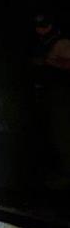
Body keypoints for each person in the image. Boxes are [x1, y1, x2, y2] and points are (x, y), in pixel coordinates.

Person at [31, 14, 70, 188]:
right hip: (46, 90)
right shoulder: (43, 41)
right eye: (38, 26)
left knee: (60, 133)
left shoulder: (62, 42)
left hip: (60, 92)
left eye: (44, 26)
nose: (40, 30)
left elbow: (67, 64)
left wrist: (48, 61)